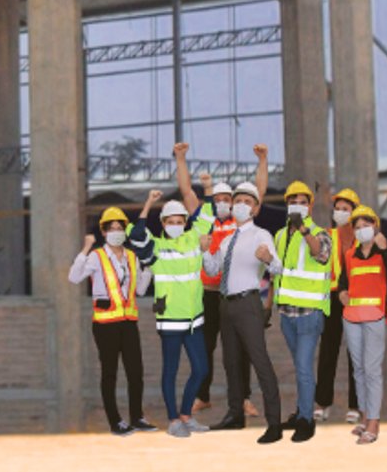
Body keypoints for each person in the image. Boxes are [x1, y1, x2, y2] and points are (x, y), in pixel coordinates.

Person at [173, 141, 267, 417]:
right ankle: (203, 396)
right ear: (213, 200)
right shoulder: (204, 218)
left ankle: (245, 398)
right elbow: (186, 191)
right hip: (206, 294)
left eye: (229, 199)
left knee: (239, 349)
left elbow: (259, 192)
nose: (224, 203)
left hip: (232, 294)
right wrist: (180, 158)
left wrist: (262, 161)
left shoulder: (241, 221)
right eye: (220, 199)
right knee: (204, 347)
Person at [201, 181, 286, 443]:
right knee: (231, 362)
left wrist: (269, 259)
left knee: (260, 361)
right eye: (237, 201)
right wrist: (205, 250)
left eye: (247, 202)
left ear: (255, 208)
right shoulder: (226, 240)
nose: (240, 205)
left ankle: (274, 424)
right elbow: (214, 270)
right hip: (225, 304)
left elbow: (278, 269)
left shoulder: (261, 236)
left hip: (249, 303)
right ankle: (235, 414)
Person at [70, 206, 155, 436]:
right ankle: (115, 421)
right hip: (105, 325)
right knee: (110, 373)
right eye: (112, 228)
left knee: (136, 371)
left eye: (120, 227)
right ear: (104, 232)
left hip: (128, 323)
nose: (117, 231)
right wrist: (86, 247)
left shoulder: (131, 256)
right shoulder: (96, 257)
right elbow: (74, 277)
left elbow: (140, 290)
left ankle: (137, 418)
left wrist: (147, 269)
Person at [134, 189, 207, 437]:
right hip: (170, 321)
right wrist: (149, 202)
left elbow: (205, 214)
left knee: (201, 369)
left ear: (185, 223)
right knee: (171, 371)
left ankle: (186, 414)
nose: (175, 225)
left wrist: (206, 188)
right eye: (170, 222)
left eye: (179, 221)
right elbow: (135, 235)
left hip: (194, 319)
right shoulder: (155, 247)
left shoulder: (193, 240)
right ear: (163, 224)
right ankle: (173, 419)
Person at [272, 180, 335, 442]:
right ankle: (301, 412)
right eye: (292, 201)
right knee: (301, 369)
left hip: (309, 314)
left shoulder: (320, 233)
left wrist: (304, 229)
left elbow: (320, 255)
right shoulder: (279, 235)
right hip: (287, 313)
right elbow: (278, 274)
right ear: (286, 204)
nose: (297, 205)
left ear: (310, 205)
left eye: (302, 201)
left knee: (304, 367)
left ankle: (307, 421)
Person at [334, 205, 387, 445]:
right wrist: (342, 293)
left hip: (374, 316)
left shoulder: (384, 252)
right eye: (358, 227)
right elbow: (343, 281)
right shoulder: (350, 254)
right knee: (359, 369)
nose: (362, 230)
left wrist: (386, 249)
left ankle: (374, 421)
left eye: (366, 226)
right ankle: (364, 417)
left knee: (372, 371)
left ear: (376, 226)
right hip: (352, 316)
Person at [313, 187, 363, 425]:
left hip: (355, 299)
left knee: (356, 353)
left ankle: (355, 406)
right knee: (328, 352)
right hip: (332, 298)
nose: (340, 212)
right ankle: (322, 403)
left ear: (355, 212)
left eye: (346, 209)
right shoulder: (327, 235)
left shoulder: (362, 238)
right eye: (338, 208)